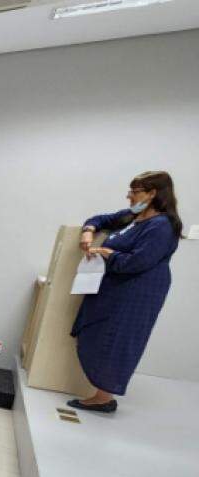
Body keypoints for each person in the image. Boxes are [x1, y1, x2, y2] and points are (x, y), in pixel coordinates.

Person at [70, 171, 182, 413]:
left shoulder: (162, 226)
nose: (129, 196)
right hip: (114, 286)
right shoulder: (133, 217)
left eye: (135, 191)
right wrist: (88, 230)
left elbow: (136, 262)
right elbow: (101, 218)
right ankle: (101, 391)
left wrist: (107, 253)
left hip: (137, 292)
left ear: (153, 194)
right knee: (95, 331)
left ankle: (103, 398)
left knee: (116, 338)